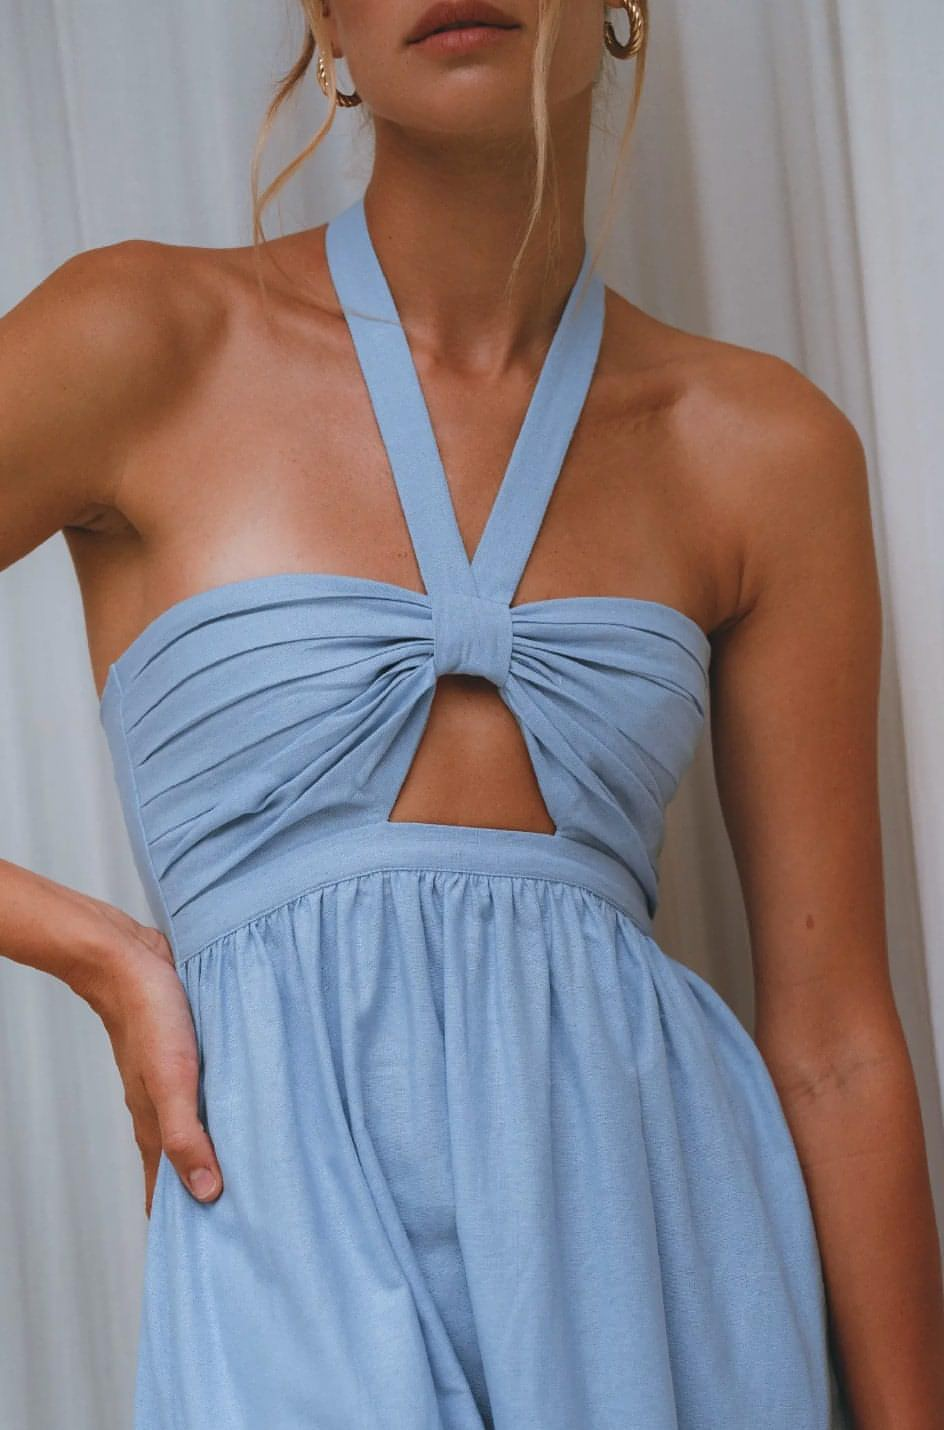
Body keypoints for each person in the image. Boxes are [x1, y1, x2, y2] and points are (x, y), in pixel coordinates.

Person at [2, 1, 942, 1425]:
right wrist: (102, 954)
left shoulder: (761, 446)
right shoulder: (141, 335)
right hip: (287, 1241)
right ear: (325, 16)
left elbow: (837, 1043)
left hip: (661, 1272)